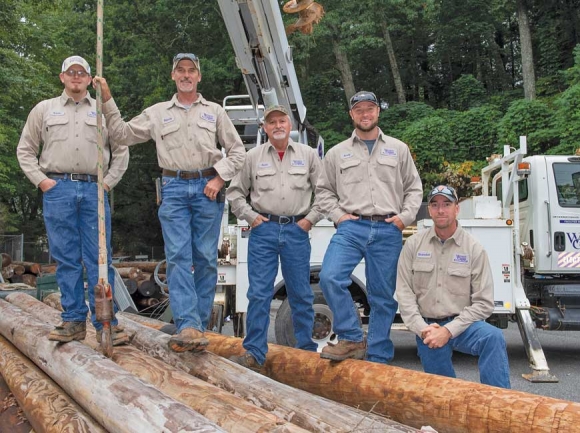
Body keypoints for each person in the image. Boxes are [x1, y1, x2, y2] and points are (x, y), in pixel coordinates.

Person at [94, 53, 245, 352]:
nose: (186, 75)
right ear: (173, 76)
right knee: (177, 258)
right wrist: (108, 99)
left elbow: (238, 152)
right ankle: (188, 325)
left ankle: (197, 327)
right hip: (173, 188)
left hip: (207, 188)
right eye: (181, 71)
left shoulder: (214, 112)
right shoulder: (157, 112)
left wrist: (219, 178)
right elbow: (121, 134)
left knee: (204, 259)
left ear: (199, 76)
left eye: (191, 71)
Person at [17, 55, 129, 345]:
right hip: (59, 189)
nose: (76, 77)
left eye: (82, 73)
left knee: (100, 259)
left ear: (90, 79)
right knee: (66, 258)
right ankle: (73, 320)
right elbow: (25, 150)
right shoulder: (45, 110)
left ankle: (107, 323)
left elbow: (122, 149)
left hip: (94, 189)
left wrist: (107, 183)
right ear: (62, 77)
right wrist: (43, 182)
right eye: (71, 72)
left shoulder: (102, 112)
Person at [315, 91, 422, 364]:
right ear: (351, 115)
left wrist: (403, 218)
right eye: (359, 110)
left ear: (378, 112)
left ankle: (378, 356)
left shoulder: (398, 149)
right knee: (330, 277)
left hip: (388, 228)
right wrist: (338, 216)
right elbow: (324, 191)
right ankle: (351, 337)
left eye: (370, 109)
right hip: (352, 228)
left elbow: (414, 188)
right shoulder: (337, 153)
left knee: (382, 297)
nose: (365, 114)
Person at [226, 105, 323, 371]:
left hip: (296, 230)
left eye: (282, 121)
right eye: (272, 122)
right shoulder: (252, 157)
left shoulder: (308, 155)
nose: (278, 125)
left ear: (290, 125)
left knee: (301, 294)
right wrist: (251, 217)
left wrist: (309, 220)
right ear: (264, 128)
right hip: (263, 231)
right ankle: (254, 352)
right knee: (258, 294)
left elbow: (325, 191)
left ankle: (305, 354)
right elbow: (234, 193)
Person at [396, 185, 511, 388]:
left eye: (447, 204)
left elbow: (484, 304)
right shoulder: (413, 245)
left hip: (463, 326)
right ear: (429, 210)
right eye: (435, 205)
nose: (441, 210)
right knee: (443, 394)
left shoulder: (474, 249)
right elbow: (404, 294)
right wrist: (423, 330)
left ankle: (500, 402)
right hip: (428, 328)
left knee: (493, 338)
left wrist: (448, 331)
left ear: (456, 209)